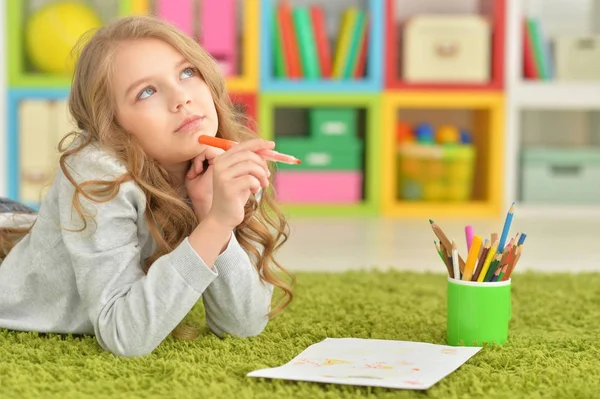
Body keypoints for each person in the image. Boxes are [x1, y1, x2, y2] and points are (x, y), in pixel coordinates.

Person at [0, 15, 294, 357]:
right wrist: (215, 225)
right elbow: (123, 336)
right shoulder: (98, 173)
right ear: (112, 126)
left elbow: (243, 324)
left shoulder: (223, 164)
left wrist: (213, 213)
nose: (181, 98)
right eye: (147, 91)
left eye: (187, 73)